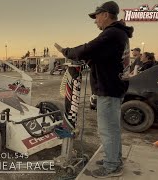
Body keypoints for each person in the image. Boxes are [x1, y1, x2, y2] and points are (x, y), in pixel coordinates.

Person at [54, 1, 133, 178]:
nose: (95, 21)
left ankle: (112, 166)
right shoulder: (119, 34)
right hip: (115, 87)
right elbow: (100, 57)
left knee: (107, 129)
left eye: (96, 16)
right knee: (112, 128)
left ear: (105, 14)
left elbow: (88, 49)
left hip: (110, 89)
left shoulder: (112, 34)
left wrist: (67, 51)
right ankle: (114, 160)